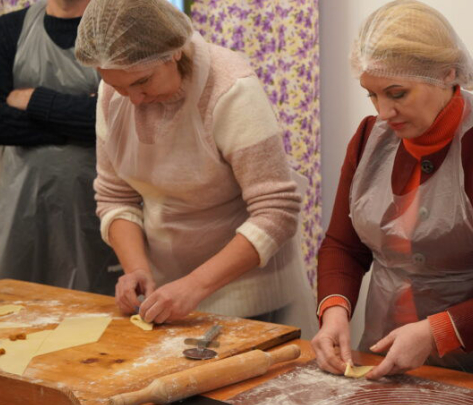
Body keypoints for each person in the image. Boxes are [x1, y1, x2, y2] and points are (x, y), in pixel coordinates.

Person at [312, 0, 473, 383]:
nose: (383, 112)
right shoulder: (368, 140)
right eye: (372, 95)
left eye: (397, 93)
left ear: (446, 75)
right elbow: (344, 246)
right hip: (384, 347)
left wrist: (436, 332)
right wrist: (334, 312)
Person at [74, 0, 316, 334]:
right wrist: (138, 270)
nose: (134, 100)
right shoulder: (114, 94)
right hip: (167, 291)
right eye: (117, 86)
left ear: (173, 52)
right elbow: (116, 197)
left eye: (142, 82)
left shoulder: (231, 89)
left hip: (250, 299)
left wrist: (195, 286)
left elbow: (276, 212)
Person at [0, 0, 119, 293]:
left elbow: (120, 118)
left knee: (100, 311)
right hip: (23, 205)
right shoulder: (7, 31)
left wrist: (34, 101)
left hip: (101, 202)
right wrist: (78, 122)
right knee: (19, 305)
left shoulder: (117, 28)